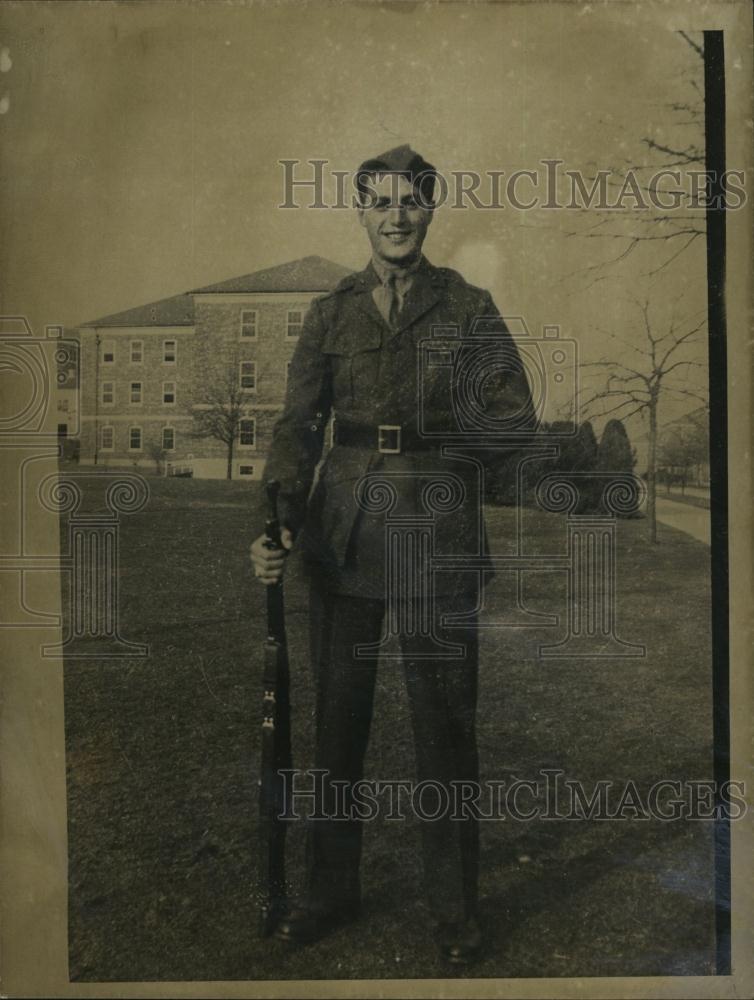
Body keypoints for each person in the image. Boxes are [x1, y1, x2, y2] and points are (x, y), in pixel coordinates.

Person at [250, 144, 536, 964]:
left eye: (410, 201)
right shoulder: (331, 310)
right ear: (362, 213)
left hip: (435, 538)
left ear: (430, 210)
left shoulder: (469, 308)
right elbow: (296, 426)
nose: (396, 216)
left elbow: (510, 419)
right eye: (379, 202)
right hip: (340, 540)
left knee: (444, 732)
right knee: (338, 730)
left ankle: (454, 914)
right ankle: (329, 892)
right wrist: (275, 522)